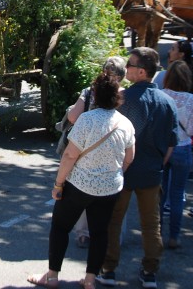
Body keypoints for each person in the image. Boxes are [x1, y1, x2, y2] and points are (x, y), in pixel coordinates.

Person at [28, 73, 135, 289]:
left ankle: (52, 276)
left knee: (60, 227)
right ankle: (90, 280)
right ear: (117, 97)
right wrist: (113, 174)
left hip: (79, 186)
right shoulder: (126, 124)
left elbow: (69, 155)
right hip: (109, 189)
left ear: (95, 95)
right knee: (99, 232)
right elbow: (129, 157)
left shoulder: (87, 120)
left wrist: (58, 184)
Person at [97, 47, 178, 289]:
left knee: (113, 221)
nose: (126, 68)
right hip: (152, 172)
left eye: (130, 65)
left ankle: (109, 269)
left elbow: (111, 136)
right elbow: (172, 144)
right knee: (152, 225)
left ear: (141, 71)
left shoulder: (124, 99)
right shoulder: (168, 102)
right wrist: (157, 165)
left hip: (122, 171)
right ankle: (150, 272)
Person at [64, 56, 128, 248]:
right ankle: (112, 236)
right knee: (113, 195)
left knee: (84, 190)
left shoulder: (89, 92)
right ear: (123, 75)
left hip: (87, 148)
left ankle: (83, 234)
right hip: (114, 150)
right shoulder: (126, 95)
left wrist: (68, 112)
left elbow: (74, 117)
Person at [159, 60, 193, 249]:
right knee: (177, 194)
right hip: (182, 147)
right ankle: (174, 235)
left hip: (163, 147)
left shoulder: (161, 95)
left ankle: (156, 232)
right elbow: (192, 130)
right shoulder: (192, 100)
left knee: (160, 191)